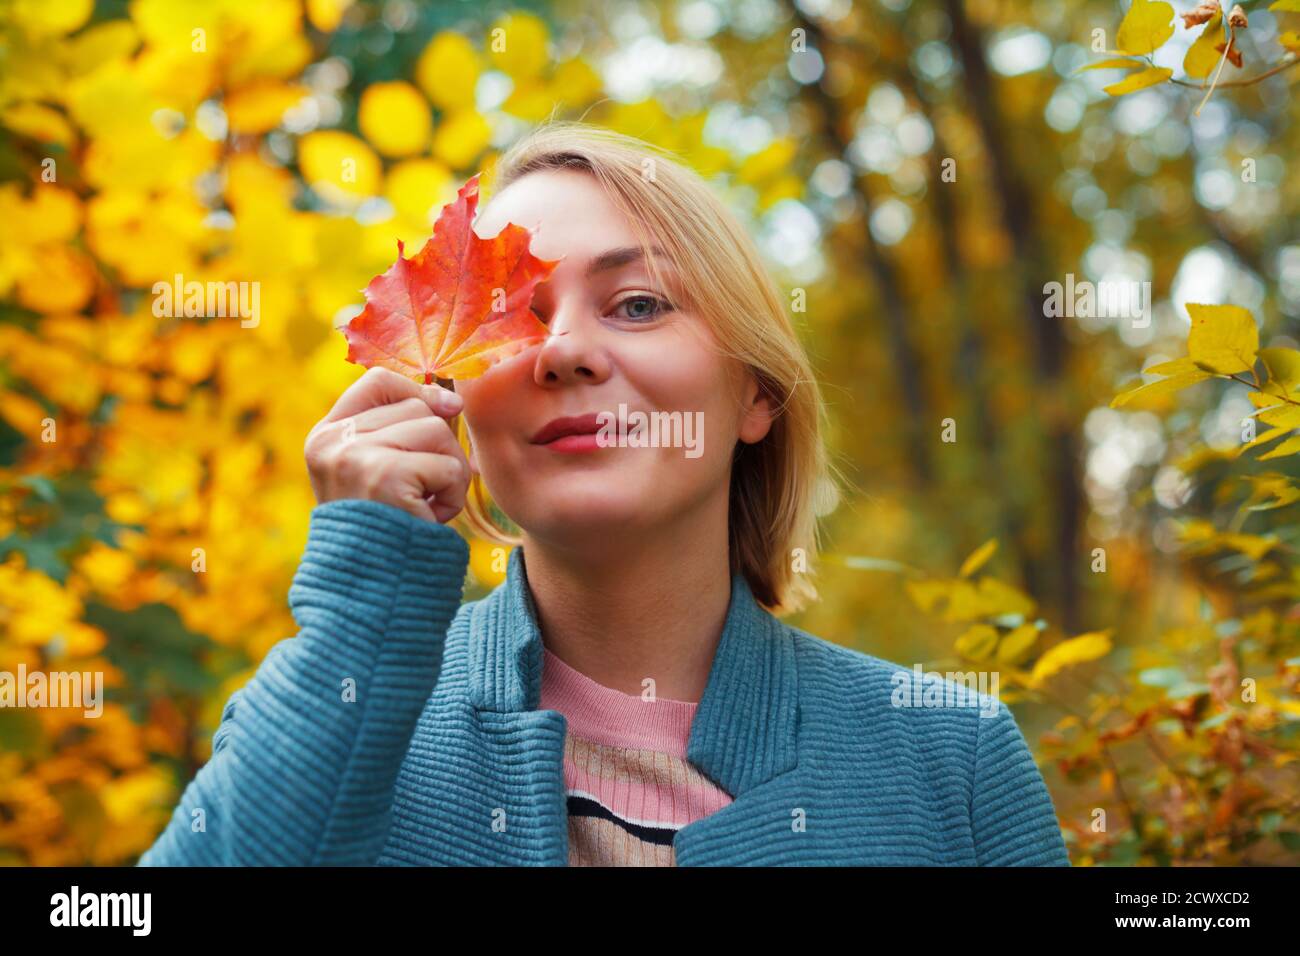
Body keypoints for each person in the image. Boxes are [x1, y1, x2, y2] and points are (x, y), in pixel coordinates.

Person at [139, 122, 1069, 866]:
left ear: (756, 394)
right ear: (449, 391)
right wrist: (363, 600)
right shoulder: (331, 715)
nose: (564, 351)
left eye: (637, 303)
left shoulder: (953, 760)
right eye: (515, 317)